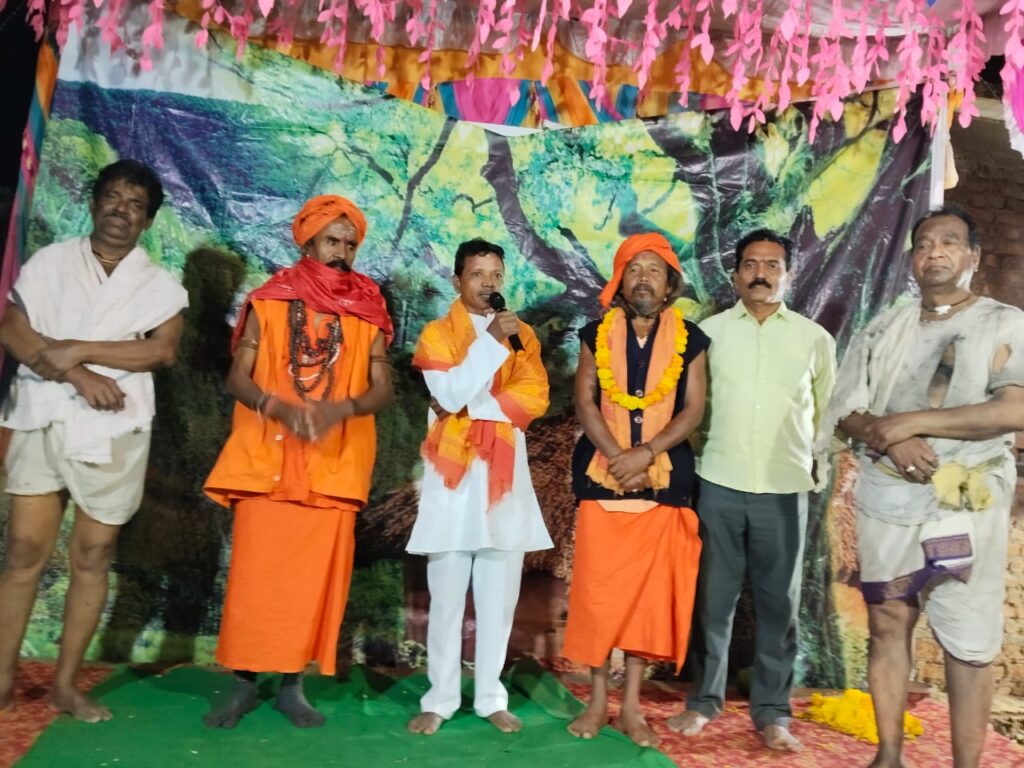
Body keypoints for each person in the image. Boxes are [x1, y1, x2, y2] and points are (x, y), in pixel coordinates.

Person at [820, 206, 1024, 768]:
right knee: (888, 622)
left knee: (967, 637)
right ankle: (889, 755)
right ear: (912, 259)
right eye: (925, 243)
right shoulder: (885, 327)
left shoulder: (1004, 322)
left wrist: (910, 424)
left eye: (949, 242)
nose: (935, 252)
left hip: (965, 497)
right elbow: (845, 410)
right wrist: (887, 439)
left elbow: (1015, 408)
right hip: (888, 495)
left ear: (973, 257)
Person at [0, 159, 187, 722]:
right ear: (93, 202)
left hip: (114, 427)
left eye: (135, 205)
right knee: (23, 550)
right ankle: (2, 679)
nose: (120, 211)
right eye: (112, 197)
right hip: (42, 414)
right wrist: (79, 375)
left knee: (93, 555)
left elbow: (160, 351)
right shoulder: (51, 263)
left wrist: (77, 348)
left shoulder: (159, 287)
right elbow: (13, 330)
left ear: (147, 220)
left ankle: (65, 686)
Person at [202, 194, 394, 729]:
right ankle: (243, 685)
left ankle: (292, 687)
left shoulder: (368, 307)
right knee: (255, 578)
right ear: (308, 242)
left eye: (350, 243)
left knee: (309, 584)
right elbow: (237, 377)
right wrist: (277, 407)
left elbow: (383, 388)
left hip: (333, 463)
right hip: (268, 458)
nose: (342, 251)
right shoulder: (270, 300)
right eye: (332, 240)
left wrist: (342, 409)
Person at [669, 229, 836, 752]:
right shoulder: (708, 334)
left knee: (779, 605)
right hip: (718, 481)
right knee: (712, 600)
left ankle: (772, 712)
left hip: (785, 487)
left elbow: (827, 415)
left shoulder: (814, 339)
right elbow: (691, 409)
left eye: (772, 265)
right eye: (750, 264)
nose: (760, 273)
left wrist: (812, 465)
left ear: (789, 274)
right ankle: (704, 701)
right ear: (735, 273)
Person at [562, 232, 708, 748]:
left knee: (646, 601)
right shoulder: (594, 334)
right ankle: (597, 702)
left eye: (654, 269)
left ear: (669, 285)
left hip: (664, 483)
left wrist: (645, 454)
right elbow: (585, 401)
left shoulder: (691, 339)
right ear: (620, 282)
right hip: (602, 478)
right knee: (600, 598)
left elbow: (693, 409)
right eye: (634, 269)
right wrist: (618, 457)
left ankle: (631, 708)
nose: (643, 278)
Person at [406, 238, 551, 736]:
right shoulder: (437, 334)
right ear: (457, 280)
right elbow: (447, 393)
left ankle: (491, 697)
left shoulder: (522, 335)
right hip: (453, 477)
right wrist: (489, 344)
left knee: (499, 599)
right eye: (477, 274)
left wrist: (473, 407)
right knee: (446, 599)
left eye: (496, 275)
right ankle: (440, 699)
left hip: (504, 477)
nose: (488, 284)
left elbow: (534, 398)